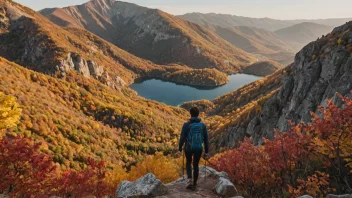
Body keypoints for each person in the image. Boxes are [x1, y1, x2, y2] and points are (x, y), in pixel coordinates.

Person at [179, 107, 209, 190]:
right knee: (196, 165)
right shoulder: (203, 125)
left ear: (190, 114)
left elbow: (182, 137)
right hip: (199, 148)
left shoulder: (186, 125)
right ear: (198, 114)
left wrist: (180, 147)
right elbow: (206, 139)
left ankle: (189, 180)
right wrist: (206, 151)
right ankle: (195, 184)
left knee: (188, 162)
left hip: (188, 147)